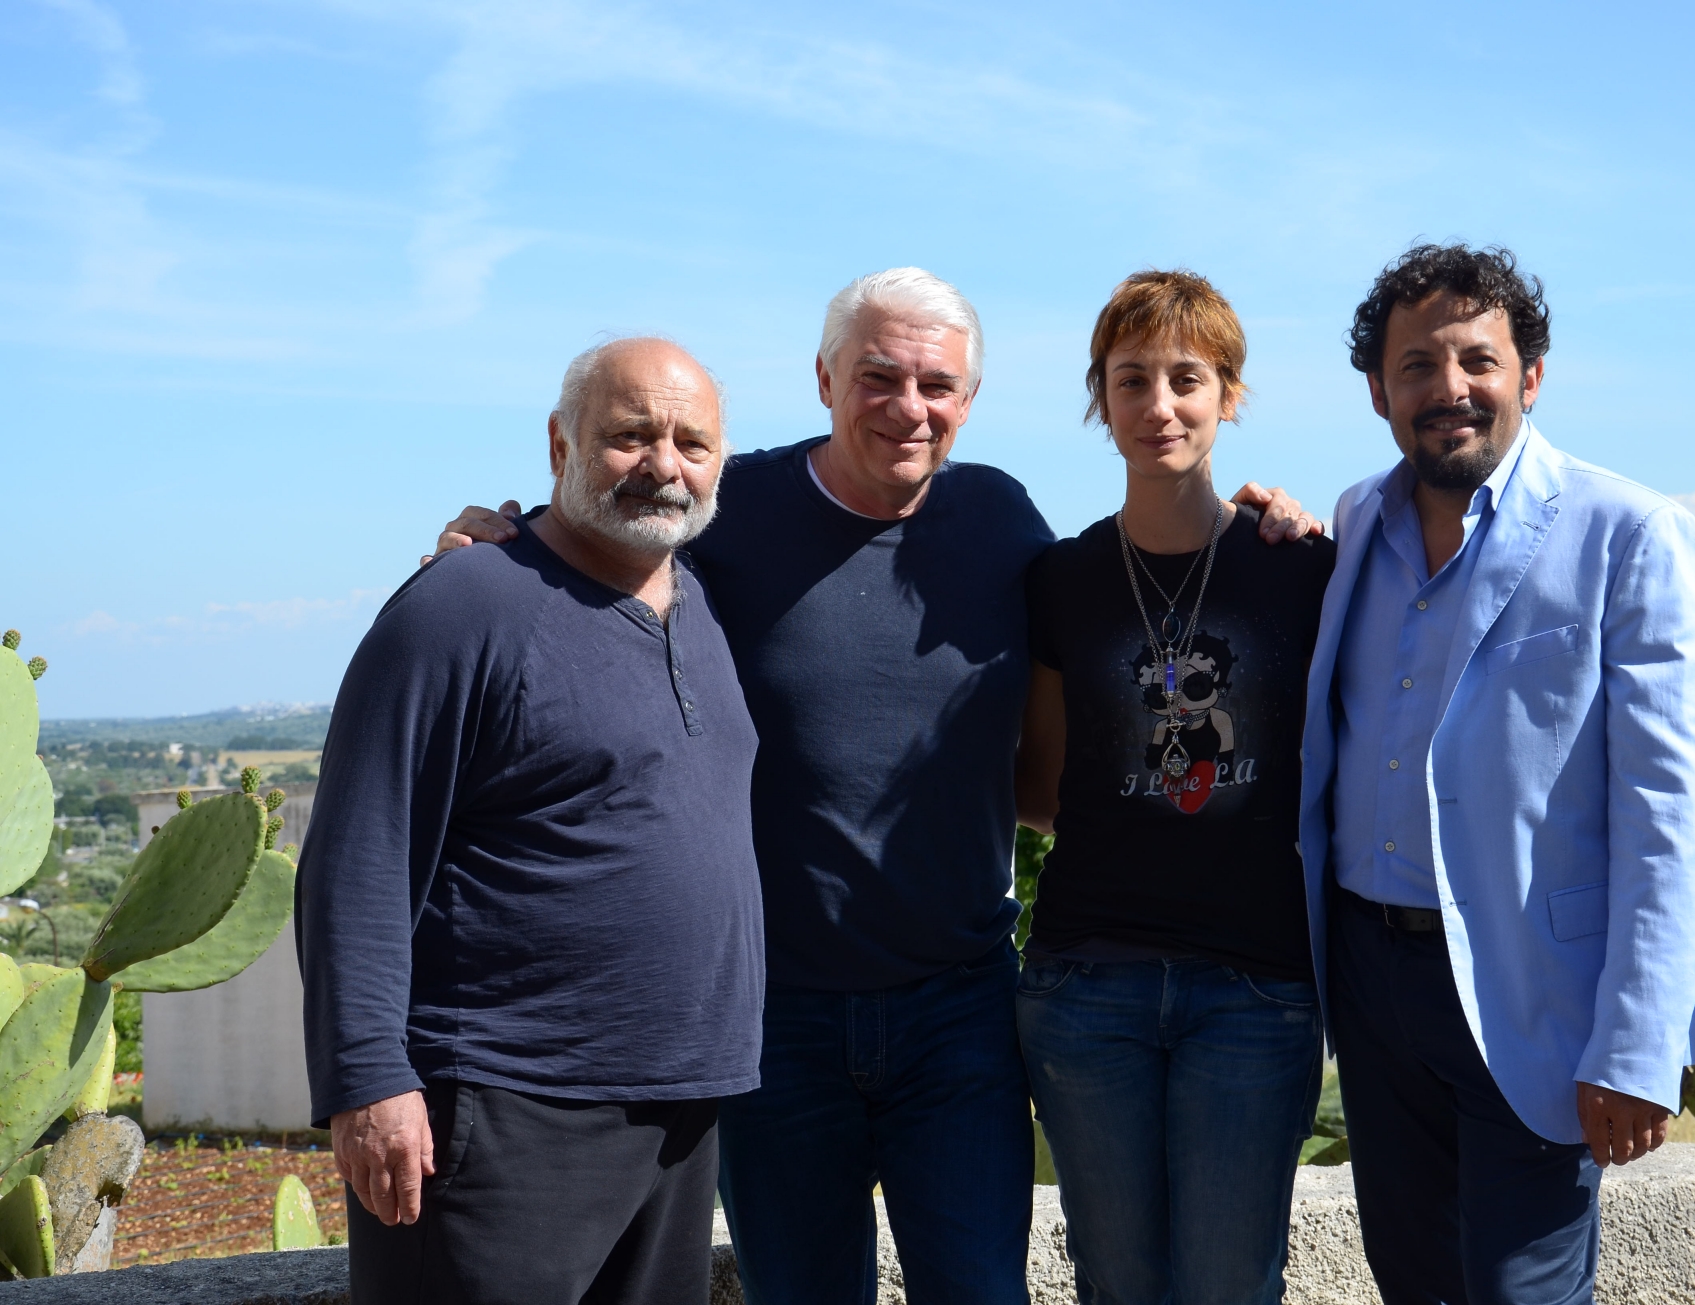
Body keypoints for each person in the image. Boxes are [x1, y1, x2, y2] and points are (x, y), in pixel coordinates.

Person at [429, 268, 1317, 1304]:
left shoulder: (1000, 520)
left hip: (960, 1014)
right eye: (877, 376)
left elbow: (1070, 736)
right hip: (775, 1018)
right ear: (823, 379)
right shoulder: (732, 505)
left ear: (969, 401)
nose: (909, 406)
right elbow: (601, 526)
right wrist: (493, 540)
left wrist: (1275, 523)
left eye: (936, 384)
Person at [1297, 244, 1695, 1305]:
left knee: (1516, 1292)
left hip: (1531, 991)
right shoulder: (1354, 523)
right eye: (1415, 365)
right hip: (1370, 979)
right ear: (1376, 391)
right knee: (1413, 1283)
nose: (1447, 388)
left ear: (1528, 375)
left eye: (1475, 360)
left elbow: (1671, 810)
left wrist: (1634, 1047)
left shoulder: (1629, 534)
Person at [297, 338, 764, 1305]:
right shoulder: (464, 603)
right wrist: (365, 1078)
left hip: (680, 1108)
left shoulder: (703, 609)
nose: (664, 465)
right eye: (629, 436)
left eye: (692, 441)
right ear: (560, 443)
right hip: (501, 1108)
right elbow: (360, 855)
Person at [1014, 270, 1336, 1304]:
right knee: (1114, 1282)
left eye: (1186, 379)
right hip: (1084, 989)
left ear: (1228, 395)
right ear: (1098, 399)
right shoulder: (1058, 580)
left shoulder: (1302, 568)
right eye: (1130, 379)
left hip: (1254, 988)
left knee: (1230, 1283)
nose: (1159, 405)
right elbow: (1045, 787)